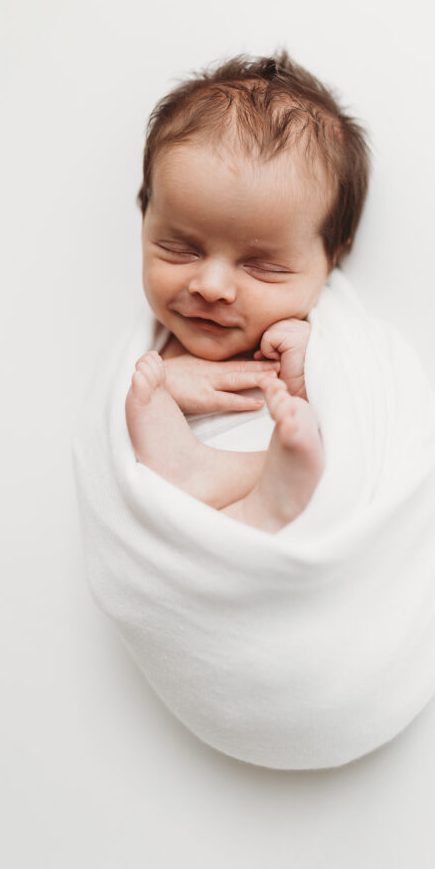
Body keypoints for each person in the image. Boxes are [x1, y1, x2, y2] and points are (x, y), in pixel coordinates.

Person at [125, 51, 370, 533]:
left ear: (332, 256)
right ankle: (244, 487)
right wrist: (162, 387)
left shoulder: (332, 341)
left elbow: (370, 431)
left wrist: (310, 377)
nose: (211, 287)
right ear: (144, 215)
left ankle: (259, 492)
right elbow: (104, 443)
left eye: (262, 266)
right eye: (180, 249)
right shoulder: (141, 347)